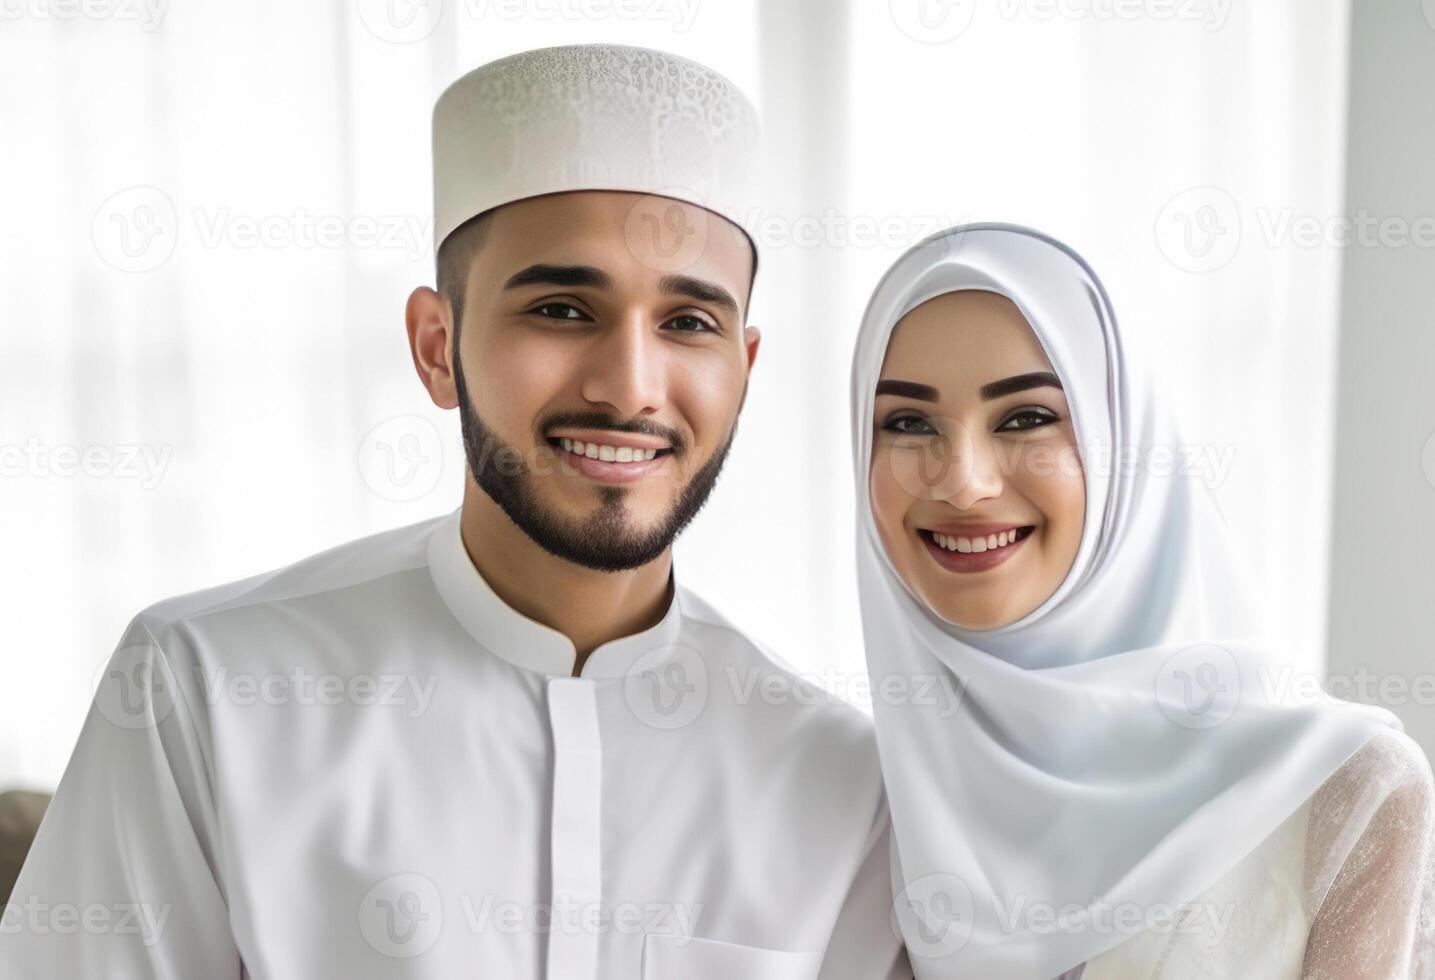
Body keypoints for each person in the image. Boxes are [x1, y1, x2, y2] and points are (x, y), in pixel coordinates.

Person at [1, 45, 909, 979]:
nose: (630, 388)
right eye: (561, 309)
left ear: (744, 368)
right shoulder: (201, 692)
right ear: (436, 348)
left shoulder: (844, 786)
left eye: (688, 323)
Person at [849, 223, 1435, 978]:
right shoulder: (857, 799)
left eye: (1025, 418)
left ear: (1122, 443)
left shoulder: (1342, 793)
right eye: (906, 422)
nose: (962, 480)